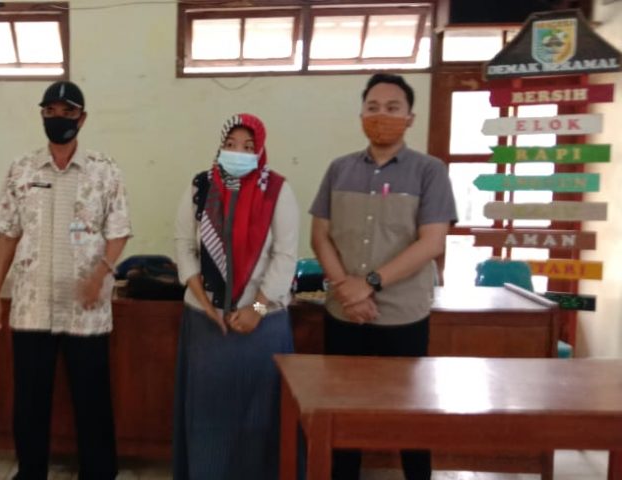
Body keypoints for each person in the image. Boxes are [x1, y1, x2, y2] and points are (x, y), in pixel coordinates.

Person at [309, 73, 457, 480]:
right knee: (341, 412)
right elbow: (320, 236)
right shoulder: (339, 169)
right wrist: (349, 291)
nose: (381, 116)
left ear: (410, 118)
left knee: (411, 415)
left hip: (403, 315)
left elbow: (432, 242)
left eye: (393, 108)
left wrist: (369, 284)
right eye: (372, 108)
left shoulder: (430, 171)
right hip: (343, 314)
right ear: (361, 115)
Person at [0, 81, 131, 480]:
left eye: (67, 112)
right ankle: (31, 473)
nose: (58, 118)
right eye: (50, 111)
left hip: (86, 310)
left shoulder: (104, 170)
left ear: (82, 118)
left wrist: (99, 275)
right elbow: (7, 234)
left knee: (92, 402)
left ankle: (98, 474)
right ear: (42, 115)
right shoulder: (22, 169)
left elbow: (118, 232)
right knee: (29, 404)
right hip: (33, 307)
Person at [172, 113, 299, 479]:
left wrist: (256, 308)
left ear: (260, 150)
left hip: (263, 325)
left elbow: (285, 257)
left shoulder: (277, 191)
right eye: (231, 144)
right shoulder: (200, 187)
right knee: (209, 420)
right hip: (206, 323)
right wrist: (206, 303)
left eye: (247, 146)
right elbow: (184, 245)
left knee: (261, 421)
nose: (238, 152)